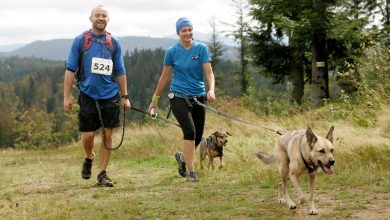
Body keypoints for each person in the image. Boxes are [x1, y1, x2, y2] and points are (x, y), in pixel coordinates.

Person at [63, 5, 131, 187]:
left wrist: (125, 97)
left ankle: (102, 174)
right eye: (98, 15)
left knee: (108, 135)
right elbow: (70, 70)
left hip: (110, 95)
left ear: (108, 19)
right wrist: (66, 97)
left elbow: (121, 71)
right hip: (87, 94)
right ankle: (89, 156)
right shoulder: (81, 40)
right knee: (88, 136)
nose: (101, 18)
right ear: (90, 18)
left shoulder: (113, 42)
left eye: (104, 16)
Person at [148, 17, 216, 182]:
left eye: (189, 29)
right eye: (183, 30)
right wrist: (154, 100)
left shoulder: (201, 49)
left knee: (198, 137)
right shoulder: (172, 51)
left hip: (198, 97)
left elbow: (209, 72)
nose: (187, 33)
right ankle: (191, 172)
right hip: (178, 97)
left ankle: (183, 158)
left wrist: (211, 90)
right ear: (178, 33)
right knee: (190, 132)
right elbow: (164, 77)